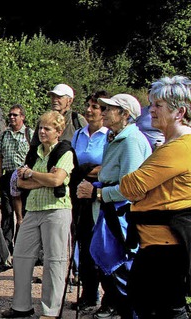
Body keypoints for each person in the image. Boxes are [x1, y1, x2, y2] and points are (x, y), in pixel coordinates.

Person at [120, 75, 191, 319]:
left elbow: (131, 185)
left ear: (179, 112)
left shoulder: (180, 148)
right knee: (146, 302)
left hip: (166, 245)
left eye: (158, 105)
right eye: (152, 104)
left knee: (166, 308)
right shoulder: (167, 147)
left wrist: (138, 184)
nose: (151, 110)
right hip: (155, 243)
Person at [76, 93, 151, 319]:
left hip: (120, 216)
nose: (104, 112)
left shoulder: (131, 141)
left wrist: (98, 192)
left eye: (109, 109)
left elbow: (132, 187)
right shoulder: (115, 137)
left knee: (122, 271)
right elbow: (112, 176)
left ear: (125, 115)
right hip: (109, 211)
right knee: (110, 269)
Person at [2, 111, 75, 319]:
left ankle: (51, 311)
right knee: (22, 257)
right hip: (33, 209)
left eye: (47, 128)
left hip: (56, 209)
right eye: (41, 127)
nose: (42, 132)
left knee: (55, 260)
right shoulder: (34, 152)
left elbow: (56, 181)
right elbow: (20, 182)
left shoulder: (65, 152)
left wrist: (34, 175)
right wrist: (46, 177)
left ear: (58, 131)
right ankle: (21, 306)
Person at [69, 91, 109, 311]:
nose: (90, 110)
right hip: (80, 196)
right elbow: (72, 163)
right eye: (89, 105)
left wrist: (88, 172)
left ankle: (108, 298)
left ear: (104, 112)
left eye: (95, 107)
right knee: (82, 243)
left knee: (99, 244)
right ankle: (89, 293)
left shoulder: (108, 136)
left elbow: (108, 167)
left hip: (99, 197)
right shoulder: (78, 135)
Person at [0, 104, 33, 255]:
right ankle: (6, 249)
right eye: (10, 115)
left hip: (23, 177)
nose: (12, 117)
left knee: (23, 213)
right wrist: (0, 176)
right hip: (7, 176)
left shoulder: (29, 134)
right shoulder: (5, 135)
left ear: (22, 117)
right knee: (7, 212)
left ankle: (22, 247)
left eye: (15, 115)